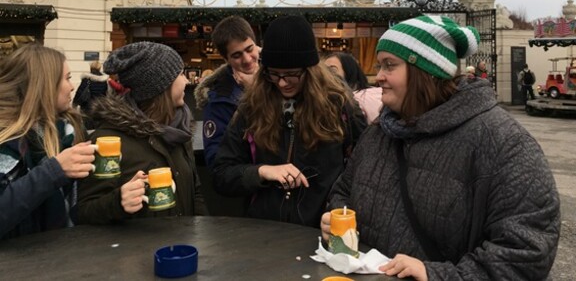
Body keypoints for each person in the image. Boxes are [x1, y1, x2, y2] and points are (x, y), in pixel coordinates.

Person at [321, 15, 560, 280]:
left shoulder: (504, 143)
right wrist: (337, 217)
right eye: (379, 65)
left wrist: (437, 275)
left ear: (426, 72)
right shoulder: (379, 132)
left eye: (389, 65)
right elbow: (344, 189)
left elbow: (525, 252)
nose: (378, 77)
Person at [212, 15, 365, 227]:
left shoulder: (340, 105)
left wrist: (338, 209)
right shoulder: (251, 106)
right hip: (265, 231)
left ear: (310, 70)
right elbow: (221, 175)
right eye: (274, 74)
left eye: (291, 74)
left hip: (322, 229)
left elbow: (364, 170)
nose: (282, 83)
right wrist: (261, 172)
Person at [77, 42, 207, 224]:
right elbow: (84, 212)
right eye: (180, 74)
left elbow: (195, 192)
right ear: (160, 86)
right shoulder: (109, 141)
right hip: (138, 243)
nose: (186, 81)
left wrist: (202, 229)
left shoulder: (180, 131)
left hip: (183, 241)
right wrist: (118, 202)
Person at [0, 44, 96, 239]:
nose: (72, 86)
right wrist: (54, 171)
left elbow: (82, 206)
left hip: (63, 250)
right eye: (67, 78)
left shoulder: (69, 131)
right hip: (20, 256)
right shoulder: (8, 141)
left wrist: (117, 200)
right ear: (45, 85)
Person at [194, 16, 260, 168]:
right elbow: (218, 163)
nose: (247, 59)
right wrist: (253, 92)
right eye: (237, 55)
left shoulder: (277, 77)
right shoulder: (220, 100)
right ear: (226, 59)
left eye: (249, 49)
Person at [323, 52, 382, 124]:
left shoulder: (356, 101)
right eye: (324, 70)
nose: (326, 75)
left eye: (332, 70)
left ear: (349, 71)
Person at [72, 61, 109, 127]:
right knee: (98, 125)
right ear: (99, 68)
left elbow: (80, 91)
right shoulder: (104, 80)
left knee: (88, 125)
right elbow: (106, 93)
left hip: (87, 106)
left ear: (91, 68)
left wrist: (74, 103)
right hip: (99, 106)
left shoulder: (87, 79)